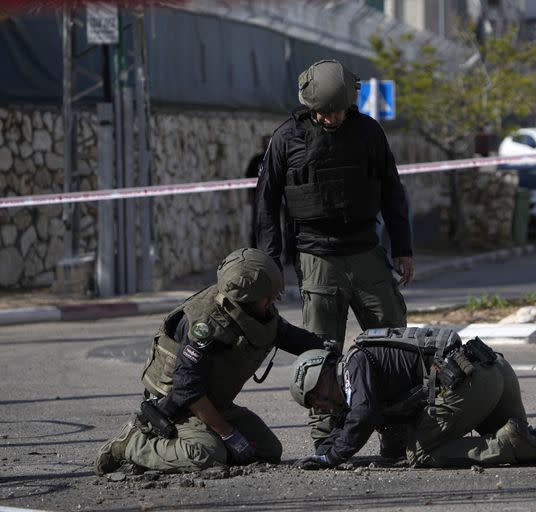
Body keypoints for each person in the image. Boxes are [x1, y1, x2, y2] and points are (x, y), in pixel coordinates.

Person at [95, 248, 326, 476]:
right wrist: (227, 434)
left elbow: (289, 336)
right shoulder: (205, 325)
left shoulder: (255, 312)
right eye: (269, 297)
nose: (274, 300)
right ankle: (131, 444)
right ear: (249, 297)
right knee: (207, 455)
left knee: (268, 450)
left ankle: (179, 451)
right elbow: (187, 388)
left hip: (214, 404)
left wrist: (330, 351)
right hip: (178, 410)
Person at [288, 327, 536, 469]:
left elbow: (361, 415)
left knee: (418, 453)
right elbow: (357, 418)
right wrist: (327, 447)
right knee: (524, 439)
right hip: (494, 369)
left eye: (316, 400)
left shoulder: (354, 366)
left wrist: (329, 458)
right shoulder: (364, 366)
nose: (320, 408)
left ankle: (507, 445)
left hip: (469, 382)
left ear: (322, 378)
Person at [253, 59, 413, 345]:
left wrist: (403, 247)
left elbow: (392, 190)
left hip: (365, 249)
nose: (331, 118)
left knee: (394, 341)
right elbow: (266, 202)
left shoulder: (369, 133)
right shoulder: (286, 139)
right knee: (321, 350)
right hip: (316, 256)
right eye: (324, 112)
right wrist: (271, 262)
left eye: (337, 111)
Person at [247, 135, 273, 248]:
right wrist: (250, 196)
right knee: (256, 225)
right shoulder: (256, 160)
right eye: (265, 142)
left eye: (269, 142)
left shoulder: (275, 158)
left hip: (273, 196)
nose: (266, 145)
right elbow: (248, 179)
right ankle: (254, 250)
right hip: (258, 198)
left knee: (274, 224)